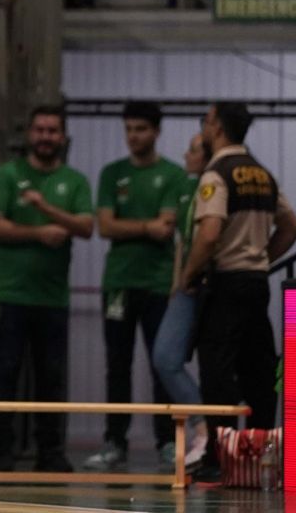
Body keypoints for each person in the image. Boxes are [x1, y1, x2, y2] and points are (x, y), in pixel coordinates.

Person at [179, 102, 296, 482]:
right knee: (260, 371)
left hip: (226, 282)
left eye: (207, 119)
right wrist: (262, 257)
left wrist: (188, 273)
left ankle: (222, 456)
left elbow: (210, 233)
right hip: (257, 282)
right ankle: (265, 453)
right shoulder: (262, 174)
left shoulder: (217, 172)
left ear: (217, 127)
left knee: (217, 372)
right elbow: (291, 226)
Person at [0, 105, 93, 474]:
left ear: (63, 137)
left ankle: (51, 452)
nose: (46, 137)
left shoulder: (74, 181)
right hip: (10, 294)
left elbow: (86, 225)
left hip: (52, 296)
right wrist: (38, 233)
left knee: (51, 377)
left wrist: (46, 209)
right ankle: (3, 453)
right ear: (29, 134)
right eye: (40, 130)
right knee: (5, 373)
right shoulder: (7, 175)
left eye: (53, 131)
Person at [86, 102, 184, 472]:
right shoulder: (113, 174)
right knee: (118, 365)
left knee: (162, 365)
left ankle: (166, 443)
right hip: (119, 284)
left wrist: (134, 226)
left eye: (141, 129)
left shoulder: (173, 175)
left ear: (156, 131)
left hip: (159, 284)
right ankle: (114, 442)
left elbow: (168, 227)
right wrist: (146, 228)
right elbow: (106, 226)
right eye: (129, 129)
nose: (134, 136)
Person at [149, 132, 207, 470]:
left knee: (220, 368)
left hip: (213, 287)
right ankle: (203, 427)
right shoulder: (185, 190)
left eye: (194, 149)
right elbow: (182, 243)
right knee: (165, 358)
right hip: (186, 286)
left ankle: (230, 440)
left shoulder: (217, 184)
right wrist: (177, 284)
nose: (187, 154)